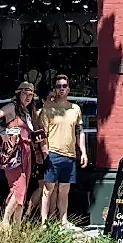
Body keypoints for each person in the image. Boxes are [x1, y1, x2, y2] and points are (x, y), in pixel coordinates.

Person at [39, 75, 89, 226]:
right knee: (48, 189)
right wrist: (45, 153)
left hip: (70, 155)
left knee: (64, 190)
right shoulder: (48, 109)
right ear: (55, 89)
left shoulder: (75, 109)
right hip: (53, 153)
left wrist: (83, 152)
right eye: (58, 86)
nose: (61, 89)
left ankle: (63, 221)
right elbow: (42, 134)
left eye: (64, 86)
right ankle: (44, 223)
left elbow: (79, 131)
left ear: (68, 89)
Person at [0, 80, 41, 226]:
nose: (28, 97)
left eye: (31, 95)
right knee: (19, 186)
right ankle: (5, 221)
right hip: (14, 153)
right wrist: (2, 132)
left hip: (27, 153)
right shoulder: (12, 107)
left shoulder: (27, 112)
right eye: (25, 93)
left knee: (23, 188)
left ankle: (16, 225)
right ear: (18, 94)